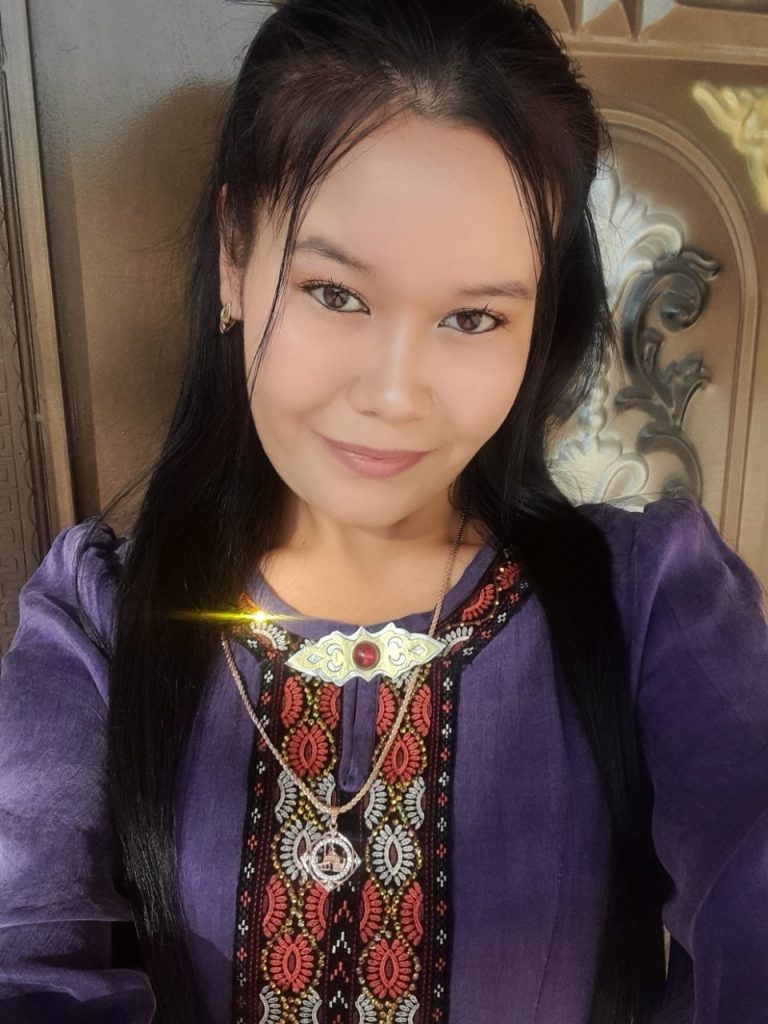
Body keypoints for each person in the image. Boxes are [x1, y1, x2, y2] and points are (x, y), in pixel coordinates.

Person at [1, 0, 767, 1022]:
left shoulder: (649, 602)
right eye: (336, 294)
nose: (395, 392)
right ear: (236, 253)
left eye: (471, 317)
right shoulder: (96, 620)